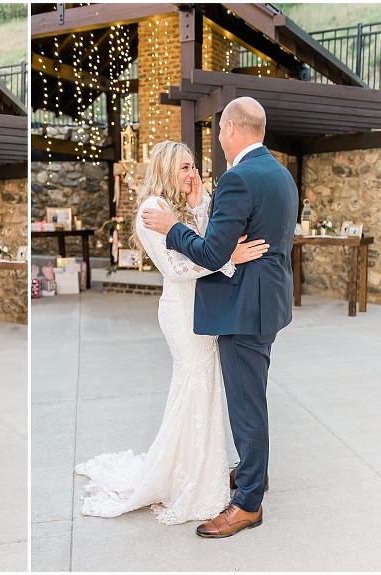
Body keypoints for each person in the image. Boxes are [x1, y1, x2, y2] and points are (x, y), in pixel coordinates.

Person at [74, 140, 268, 525]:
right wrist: (227, 258)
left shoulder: (181, 206)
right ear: (165, 169)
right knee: (194, 387)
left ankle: (200, 468)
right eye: (184, 167)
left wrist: (199, 206)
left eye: (193, 165)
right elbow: (177, 269)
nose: (192, 173)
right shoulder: (153, 209)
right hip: (182, 313)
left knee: (203, 390)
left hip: (205, 311)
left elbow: (209, 241)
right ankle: (186, 477)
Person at [141, 96, 298, 538]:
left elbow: (211, 252)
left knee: (246, 406)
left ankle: (247, 503)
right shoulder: (281, 174)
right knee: (253, 398)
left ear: (230, 129)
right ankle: (253, 473)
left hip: (243, 307)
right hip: (268, 302)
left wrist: (172, 228)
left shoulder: (237, 178)